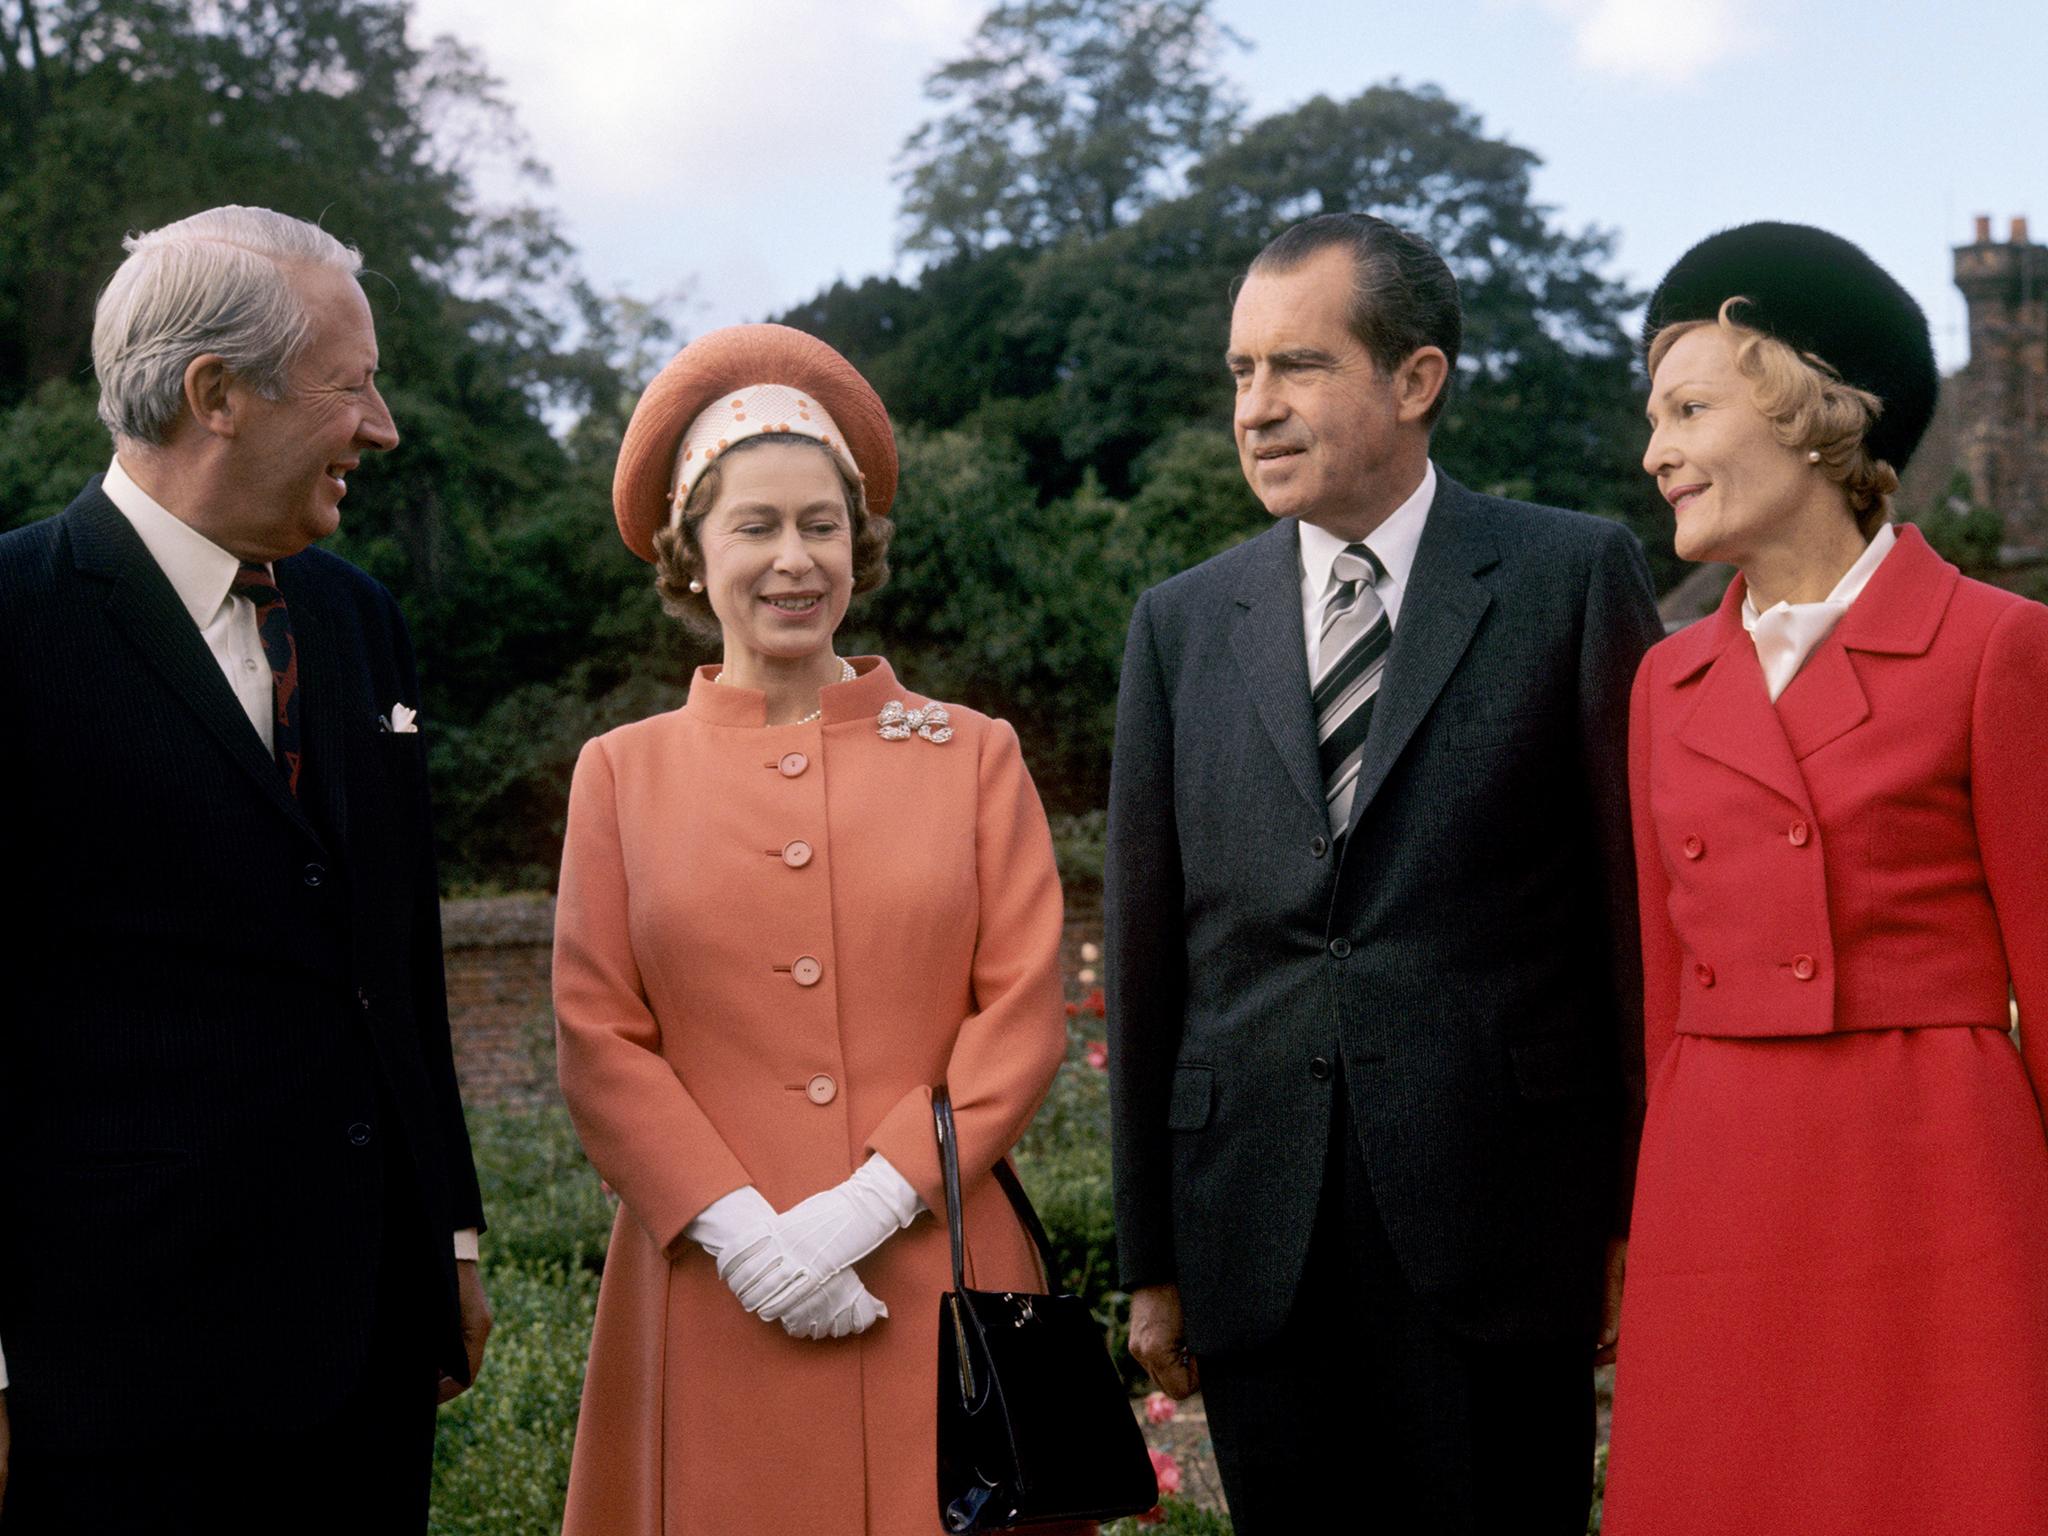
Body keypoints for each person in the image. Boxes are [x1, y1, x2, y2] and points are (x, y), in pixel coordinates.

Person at [1104, 211, 1663, 1533]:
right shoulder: (1181, 627)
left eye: (1297, 367)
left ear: (1415, 381)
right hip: (1255, 1236)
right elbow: (1144, 965)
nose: (1257, 408)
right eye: (1240, 374)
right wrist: (1153, 1263)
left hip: (1507, 1229)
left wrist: (1643, 1215)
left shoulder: (1572, 577)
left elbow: (1640, 930)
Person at [0, 206, 490, 1533]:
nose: (381, 425)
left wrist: (447, 1232)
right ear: (216, 394)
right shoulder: (15, 621)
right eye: (351, 385)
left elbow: (392, 954)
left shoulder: (358, 619)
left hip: (367, 1348)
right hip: (111, 1376)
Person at [552, 322, 1079, 1535]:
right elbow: (598, 1037)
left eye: (821, 525)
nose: (793, 560)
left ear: (861, 543)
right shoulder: (619, 774)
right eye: (754, 526)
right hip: (708, 1290)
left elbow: (1018, 1013)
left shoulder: (973, 754)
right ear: (690, 554)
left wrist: (863, 1207)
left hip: (936, 1272)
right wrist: (742, 1237)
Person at [1605, 221, 2048, 1534]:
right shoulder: (1663, 685)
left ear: (1816, 415)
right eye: (1654, 417)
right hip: (1719, 1189)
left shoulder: (1999, 648)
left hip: (1939, 1182)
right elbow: (1664, 1008)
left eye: (1687, 408)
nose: (1655, 453)